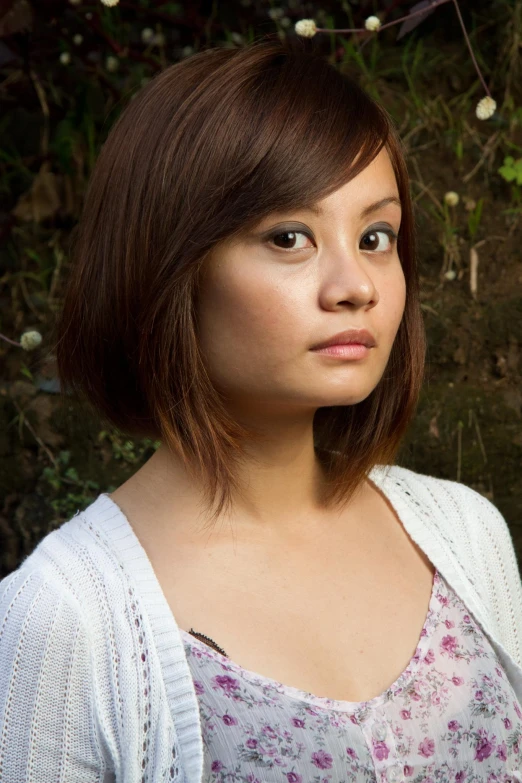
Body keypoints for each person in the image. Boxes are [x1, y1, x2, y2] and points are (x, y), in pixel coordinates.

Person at [1, 36, 521, 783]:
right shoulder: (65, 622)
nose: (356, 284)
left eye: (377, 236)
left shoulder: (467, 537)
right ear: (168, 265)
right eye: (289, 237)